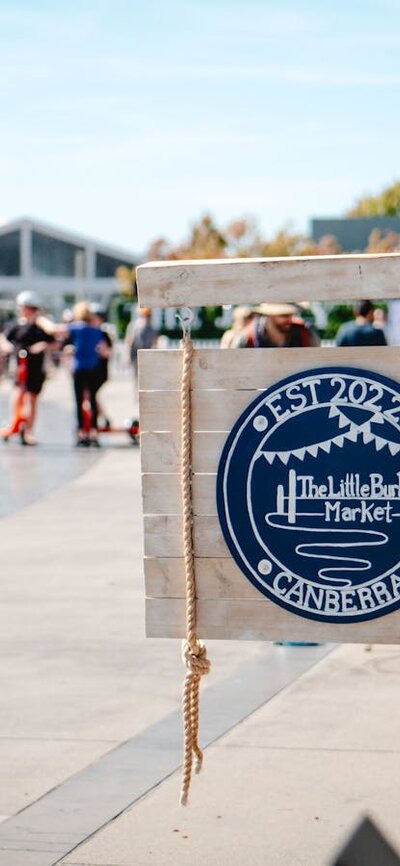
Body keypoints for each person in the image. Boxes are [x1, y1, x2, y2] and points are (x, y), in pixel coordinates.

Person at [0, 291, 56, 445]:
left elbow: (54, 341)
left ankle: (29, 431)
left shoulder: (41, 326)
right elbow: (4, 339)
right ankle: (15, 423)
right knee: (17, 395)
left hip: (36, 367)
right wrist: (8, 347)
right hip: (19, 367)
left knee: (31, 399)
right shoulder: (16, 325)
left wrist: (43, 346)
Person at [62, 301, 111, 447]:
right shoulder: (97, 331)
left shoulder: (74, 329)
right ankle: (94, 432)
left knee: (78, 401)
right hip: (93, 368)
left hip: (78, 369)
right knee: (92, 399)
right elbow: (104, 351)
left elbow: (63, 341)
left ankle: (81, 433)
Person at [238, 302, 320, 348]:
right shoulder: (248, 338)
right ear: (269, 315)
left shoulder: (306, 334)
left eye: (291, 314)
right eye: (284, 315)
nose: (289, 319)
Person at [89, 303, 113, 429]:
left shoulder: (103, 333)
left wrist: (100, 350)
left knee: (91, 396)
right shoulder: (89, 332)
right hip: (91, 370)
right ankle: (102, 418)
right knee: (91, 396)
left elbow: (108, 352)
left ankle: (98, 419)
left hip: (100, 370)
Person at [125, 307, 158, 388]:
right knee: (136, 377)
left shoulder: (151, 328)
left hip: (147, 356)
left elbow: (154, 342)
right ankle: (137, 395)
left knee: (146, 377)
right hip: (135, 355)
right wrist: (127, 356)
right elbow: (128, 341)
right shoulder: (133, 326)